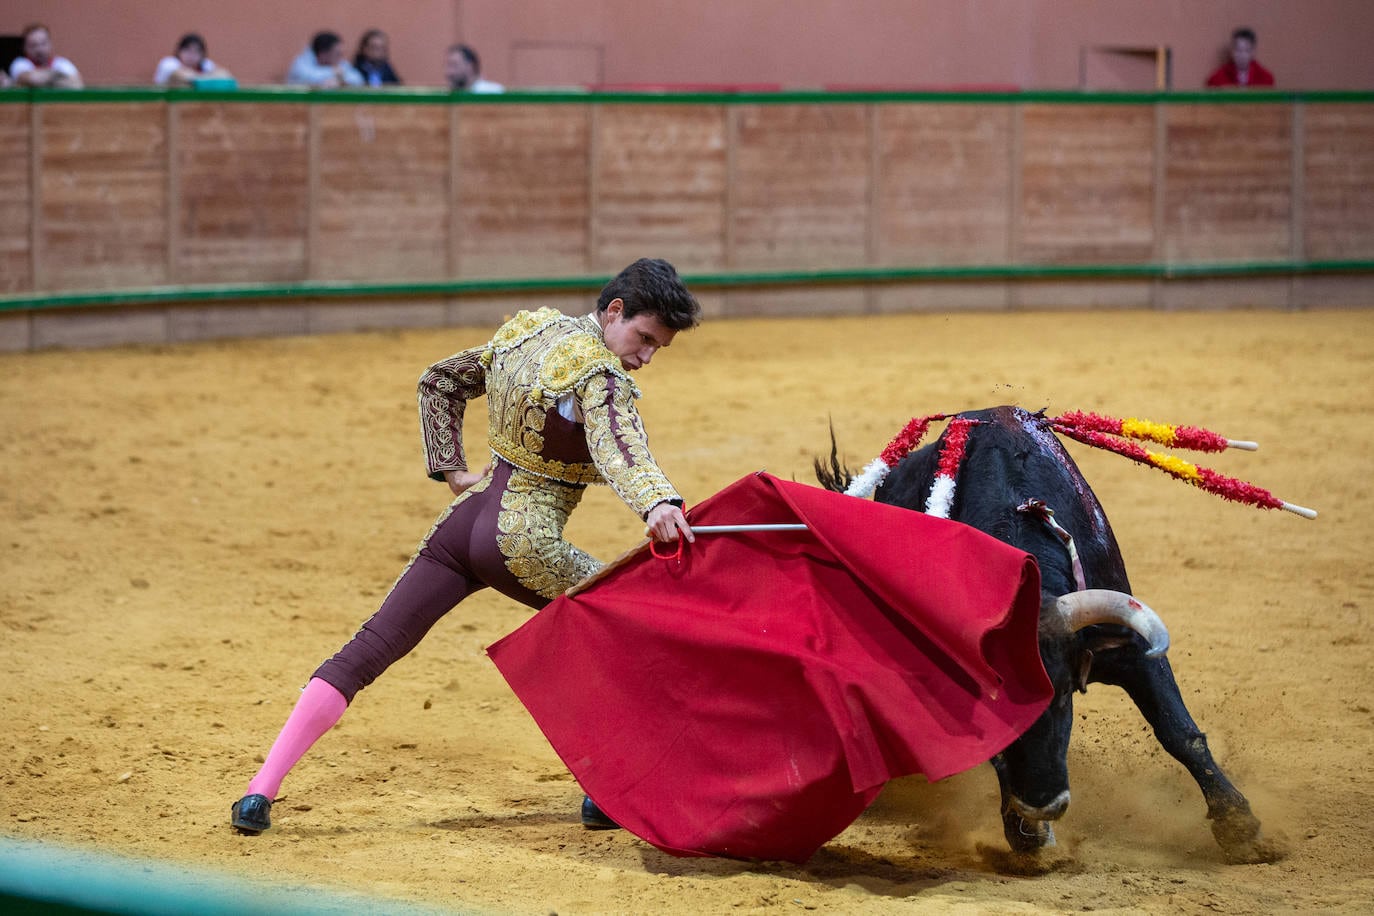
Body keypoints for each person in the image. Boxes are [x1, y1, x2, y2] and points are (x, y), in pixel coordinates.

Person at [230, 258, 701, 835]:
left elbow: (440, 381)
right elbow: (620, 448)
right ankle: (604, 792)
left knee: (371, 646)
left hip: (461, 524)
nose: (645, 357)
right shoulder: (601, 376)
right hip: (523, 542)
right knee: (629, 624)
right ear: (614, 312)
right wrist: (659, 503)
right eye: (643, 338)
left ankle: (259, 792)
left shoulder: (530, 332)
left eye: (658, 348)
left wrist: (452, 470)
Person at [8, 24, 83, 88]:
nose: (39, 49)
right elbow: (33, 79)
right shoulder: (20, 63)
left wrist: (44, 80)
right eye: (33, 45)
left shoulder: (62, 63)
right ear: (24, 47)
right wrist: (59, 75)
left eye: (43, 43)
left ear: (50, 44)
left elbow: (77, 84)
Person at [286, 31, 363, 88]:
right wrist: (334, 73)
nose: (341, 58)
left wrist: (339, 80)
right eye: (337, 54)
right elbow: (308, 77)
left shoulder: (340, 63)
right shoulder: (301, 63)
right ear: (323, 54)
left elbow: (357, 79)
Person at [1206, 27, 1275, 88]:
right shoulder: (1218, 78)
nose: (1242, 55)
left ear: (1253, 52)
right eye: (1238, 50)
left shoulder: (1265, 78)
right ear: (1232, 51)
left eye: (1246, 50)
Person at [153, 33, 232, 86]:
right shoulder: (168, 63)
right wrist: (210, 79)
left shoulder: (205, 64)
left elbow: (226, 76)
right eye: (187, 50)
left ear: (202, 55)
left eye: (196, 52)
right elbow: (183, 77)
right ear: (179, 51)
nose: (191, 55)